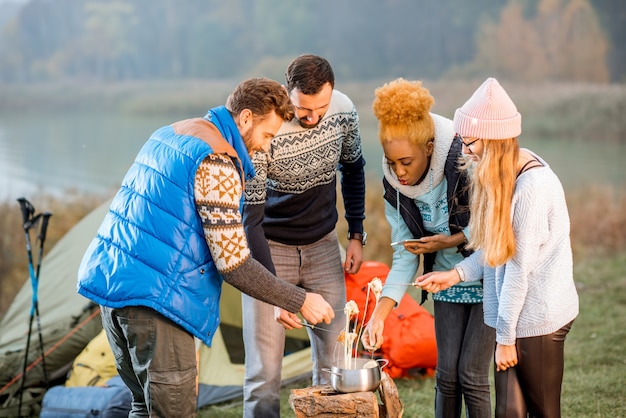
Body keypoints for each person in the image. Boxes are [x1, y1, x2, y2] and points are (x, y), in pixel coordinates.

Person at [76, 77, 336, 418]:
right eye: (267, 135)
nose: (266, 147)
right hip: (156, 303)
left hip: (115, 291)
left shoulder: (172, 132)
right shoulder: (217, 163)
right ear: (245, 119)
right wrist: (300, 300)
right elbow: (235, 265)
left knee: (144, 406)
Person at [418, 77, 579, 418]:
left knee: (544, 411)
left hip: (538, 321)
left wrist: (504, 339)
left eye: (470, 141)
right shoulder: (503, 175)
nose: (464, 151)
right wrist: (454, 275)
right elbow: (496, 250)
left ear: (494, 139)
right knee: (508, 412)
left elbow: (518, 269)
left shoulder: (531, 187)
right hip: (515, 320)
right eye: (461, 140)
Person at [360, 78, 495, 418]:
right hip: (444, 284)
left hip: (485, 275)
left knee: (472, 376)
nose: (399, 172)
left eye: (406, 161)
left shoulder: (466, 161)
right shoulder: (394, 185)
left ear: (430, 147)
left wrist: (452, 239)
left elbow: (496, 226)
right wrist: (379, 314)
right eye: (392, 163)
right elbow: (406, 252)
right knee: (447, 376)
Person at [242, 54, 367, 417]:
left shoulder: (343, 110)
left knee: (334, 364)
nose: (312, 118)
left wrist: (356, 233)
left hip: (324, 248)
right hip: (270, 251)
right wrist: (275, 292)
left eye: (320, 108)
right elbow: (250, 218)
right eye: (303, 109)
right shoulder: (269, 126)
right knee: (263, 374)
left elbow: (354, 169)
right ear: (286, 94)